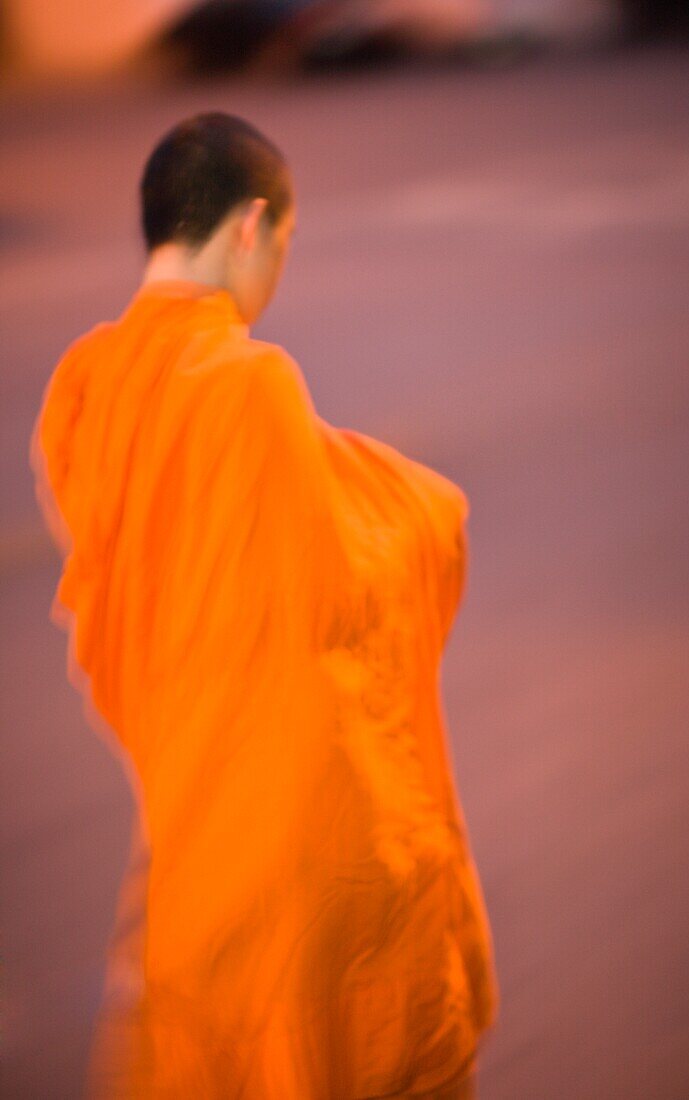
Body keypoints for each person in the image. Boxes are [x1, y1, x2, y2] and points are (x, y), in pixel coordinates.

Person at [29, 111, 500, 1098]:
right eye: (283, 242)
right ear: (250, 227)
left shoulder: (80, 393)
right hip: (294, 847)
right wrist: (434, 507)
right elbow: (342, 561)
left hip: (192, 831)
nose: (278, 268)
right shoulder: (249, 384)